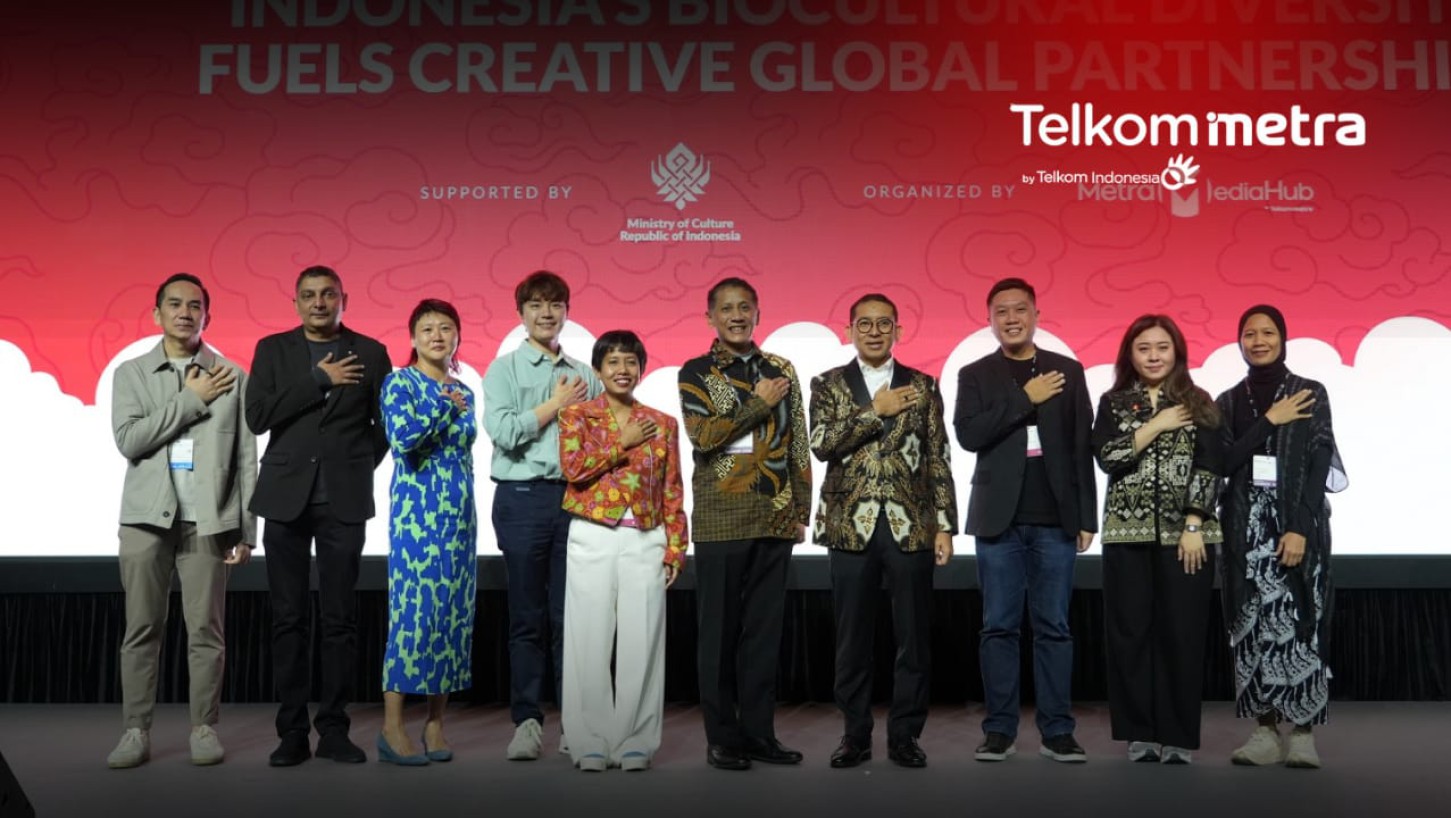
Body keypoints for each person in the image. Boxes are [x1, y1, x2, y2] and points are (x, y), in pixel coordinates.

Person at [107, 273, 256, 768]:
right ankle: (135, 730)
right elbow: (130, 440)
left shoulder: (233, 376)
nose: (185, 313)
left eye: (195, 305)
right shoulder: (132, 373)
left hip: (207, 522)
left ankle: (203, 727)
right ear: (157, 314)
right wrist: (191, 399)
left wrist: (246, 530)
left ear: (207, 316)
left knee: (206, 632)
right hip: (145, 520)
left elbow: (246, 459)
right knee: (142, 628)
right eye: (174, 304)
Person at [245, 265, 391, 767]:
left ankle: (333, 729)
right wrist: (317, 380)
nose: (319, 303)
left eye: (328, 294)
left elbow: (384, 426)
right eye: (308, 295)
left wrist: (354, 465)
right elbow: (258, 417)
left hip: (342, 502)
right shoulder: (272, 350)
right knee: (288, 619)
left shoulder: (371, 352)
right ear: (295, 303)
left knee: (339, 620)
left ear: (344, 299)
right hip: (284, 499)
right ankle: (291, 732)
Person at [953, 278, 1097, 764]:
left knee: (1054, 627)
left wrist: (1086, 516)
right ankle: (999, 730)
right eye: (1001, 312)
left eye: (1020, 309)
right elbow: (969, 435)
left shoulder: (1067, 371)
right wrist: (1025, 398)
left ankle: (1058, 731)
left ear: (1036, 315)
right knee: (998, 627)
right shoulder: (975, 374)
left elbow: (1081, 447)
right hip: (998, 522)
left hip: (1056, 519)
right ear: (990, 320)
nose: (1011, 318)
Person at [810, 294, 956, 769]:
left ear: (898, 330)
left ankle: (905, 736)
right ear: (849, 330)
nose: (874, 332)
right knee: (852, 638)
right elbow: (820, 443)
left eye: (884, 324)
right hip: (848, 524)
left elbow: (938, 457)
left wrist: (945, 525)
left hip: (911, 524)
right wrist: (877, 410)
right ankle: (855, 735)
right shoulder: (827, 383)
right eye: (865, 324)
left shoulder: (924, 385)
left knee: (913, 637)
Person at [678, 277, 812, 771]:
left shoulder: (782, 369)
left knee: (763, 634)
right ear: (710, 317)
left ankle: (759, 735)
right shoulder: (698, 372)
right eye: (727, 309)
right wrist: (758, 402)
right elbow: (705, 436)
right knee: (717, 635)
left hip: (775, 515)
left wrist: (801, 507)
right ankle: (722, 739)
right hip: (721, 519)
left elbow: (798, 441)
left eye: (745, 308)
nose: (736, 316)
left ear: (758, 313)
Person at [1216, 305, 1346, 769]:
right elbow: (1224, 461)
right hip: (1243, 529)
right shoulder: (1228, 401)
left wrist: (1300, 527)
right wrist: (1270, 420)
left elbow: (1319, 460)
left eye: (1267, 332)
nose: (1258, 341)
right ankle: (1265, 731)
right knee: (1251, 626)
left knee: (1301, 622)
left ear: (1282, 338)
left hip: (1296, 524)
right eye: (1249, 334)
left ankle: (1304, 733)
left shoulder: (1310, 392)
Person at [1093, 314, 1224, 765]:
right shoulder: (1112, 403)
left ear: (1177, 352)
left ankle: (1178, 736)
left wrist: (1193, 524)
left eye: (1162, 347)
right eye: (1144, 348)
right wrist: (1156, 425)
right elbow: (1107, 456)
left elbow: (1210, 466)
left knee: (1181, 635)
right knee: (1130, 635)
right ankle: (1140, 733)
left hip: (1186, 539)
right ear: (1130, 355)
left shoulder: (1198, 401)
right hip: (1124, 536)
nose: (1153, 356)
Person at [482, 270, 602, 760]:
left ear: (567, 312)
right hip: (522, 498)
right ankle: (528, 722)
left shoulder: (587, 374)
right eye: (535, 305)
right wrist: (556, 403)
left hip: (575, 500)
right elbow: (504, 433)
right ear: (521, 313)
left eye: (555, 304)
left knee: (572, 618)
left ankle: (576, 722)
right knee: (527, 617)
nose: (546, 313)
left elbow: (602, 437)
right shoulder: (504, 370)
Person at [558, 331, 688, 773]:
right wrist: (623, 441)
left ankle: (636, 740)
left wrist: (675, 547)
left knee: (642, 641)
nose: (622, 369)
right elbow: (573, 469)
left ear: (642, 368)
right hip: (593, 535)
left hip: (645, 538)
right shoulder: (577, 416)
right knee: (588, 640)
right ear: (598, 369)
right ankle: (589, 740)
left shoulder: (663, 423)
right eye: (612, 361)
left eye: (630, 361)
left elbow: (672, 489)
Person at [376, 299, 478, 766]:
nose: (438, 336)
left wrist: (450, 401)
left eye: (446, 328)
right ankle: (392, 726)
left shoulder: (464, 390)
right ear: (413, 337)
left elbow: (464, 449)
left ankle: (436, 724)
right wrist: (442, 406)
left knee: (454, 617)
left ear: (457, 337)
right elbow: (404, 439)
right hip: (417, 517)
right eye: (428, 329)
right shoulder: (399, 383)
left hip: (460, 516)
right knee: (413, 618)